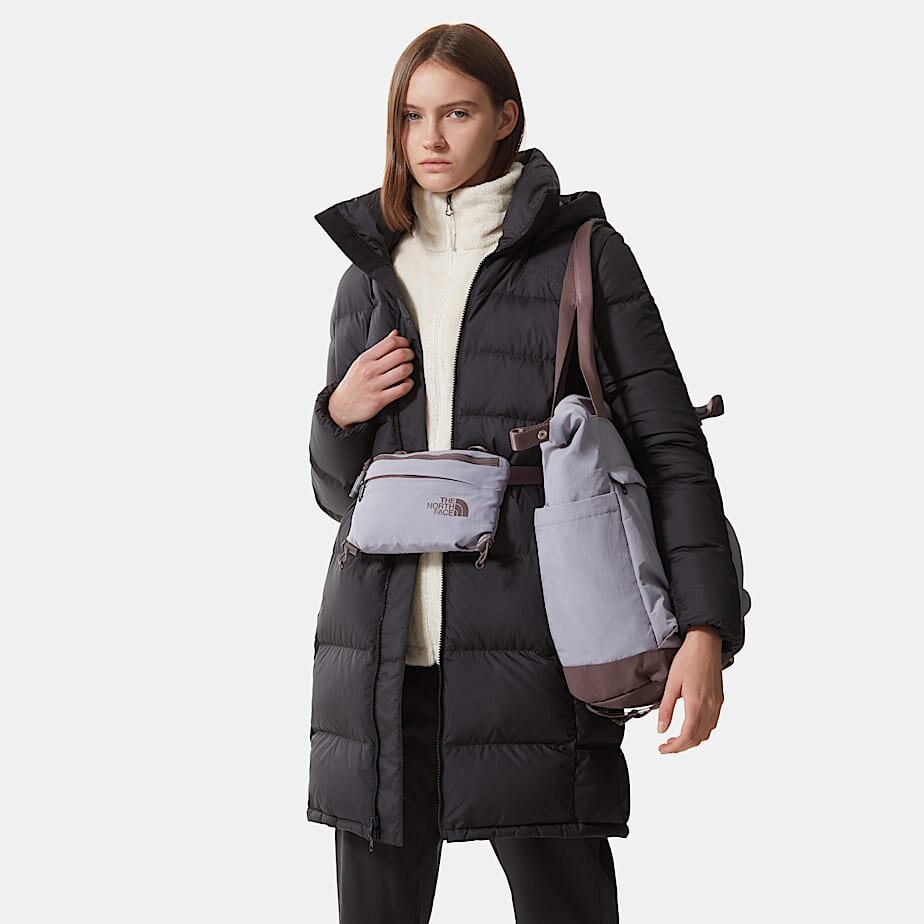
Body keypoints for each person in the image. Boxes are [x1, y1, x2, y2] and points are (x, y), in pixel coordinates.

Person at [307, 22, 745, 924]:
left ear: (506, 117)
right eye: (412, 116)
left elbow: (669, 450)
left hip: (538, 648)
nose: (430, 138)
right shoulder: (369, 275)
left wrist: (707, 628)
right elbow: (337, 498)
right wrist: (336, 417)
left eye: (457, 113)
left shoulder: (584, 255)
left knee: (566, 905)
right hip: (382, 659)